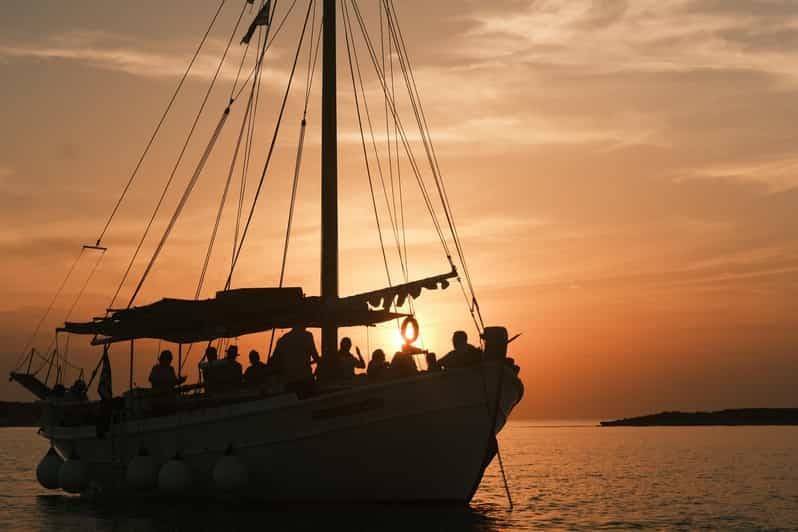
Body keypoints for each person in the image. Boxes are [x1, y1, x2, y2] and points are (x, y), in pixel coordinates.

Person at [271, 326, 320, 394]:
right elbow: (316, 357)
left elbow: (274, 361)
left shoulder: (283, 339)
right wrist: (317, 373)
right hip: (306, 380)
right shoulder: (307, 336)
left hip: (290, 382)